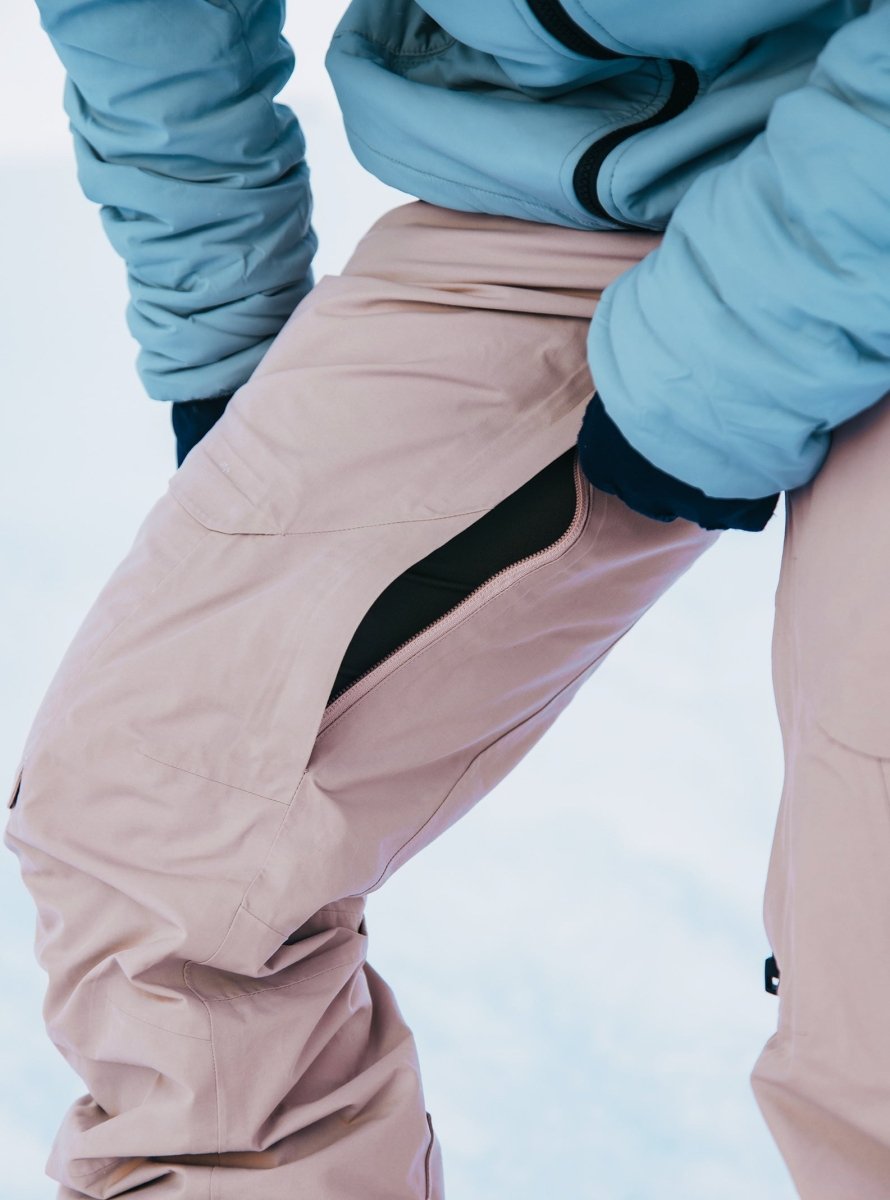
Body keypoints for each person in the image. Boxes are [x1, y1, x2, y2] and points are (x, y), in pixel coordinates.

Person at [5, 1, 890, 1196]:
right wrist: (220, 314)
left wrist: (725, 353)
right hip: (540, 175)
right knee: (161, 825)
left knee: (875, 965)